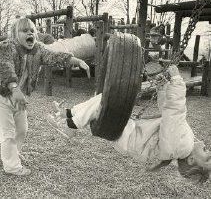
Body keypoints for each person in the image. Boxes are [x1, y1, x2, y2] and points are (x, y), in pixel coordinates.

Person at [47, 65, 211, 183]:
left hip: (129, 134)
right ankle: (68, 113)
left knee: (105, 102)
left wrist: (177, 81)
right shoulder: (182, 144)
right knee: (102, 99)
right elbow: (166, 111)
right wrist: (162, 89)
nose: (208, 148)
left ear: (191, 161)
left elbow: (175, 111)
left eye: (207, 155)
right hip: (129, 134)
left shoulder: (180, 146)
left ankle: (71, 125)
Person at [0, 17, 90, 176]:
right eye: (24, 31)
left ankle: (11, 155)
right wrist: (14, 89)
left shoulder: (38, 50)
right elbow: (6, 68)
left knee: (22, 129)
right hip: (4, 96)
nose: (30, 33)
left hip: (20, 98)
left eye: (32, 31)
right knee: (8, 132)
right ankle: (12, 166)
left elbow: (55, 56)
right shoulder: (8, 47)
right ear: (15, 34)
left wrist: (77, 60)